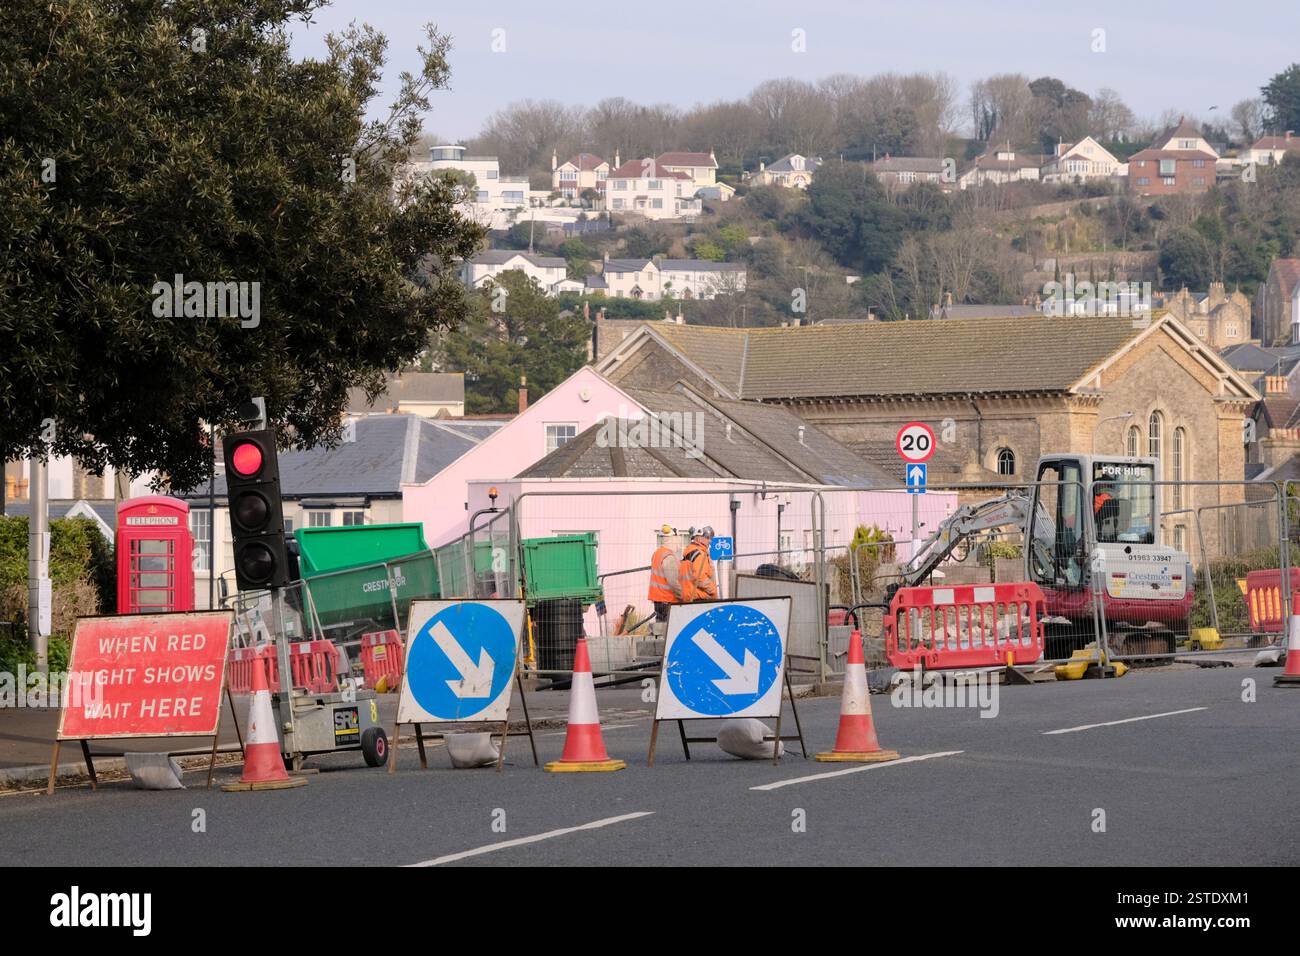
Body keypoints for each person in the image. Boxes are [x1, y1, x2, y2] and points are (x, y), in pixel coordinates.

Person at [648, 529, 683, 623]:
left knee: (661, 629)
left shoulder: (657, 554)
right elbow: (672, 582)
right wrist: (682, 597)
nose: (679, 544)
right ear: (674, 539)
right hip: (668, 601)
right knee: (670, 631)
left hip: (658, 600)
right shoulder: (669, 556)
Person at [681, 526, 718, 602]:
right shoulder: (699, 554)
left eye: (710, 538)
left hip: (690, 596)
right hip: (699, 598)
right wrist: (713, 590)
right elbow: (700, 578)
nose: (710, 541)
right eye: (707, 537)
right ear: (698, 538)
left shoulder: (690, 552)